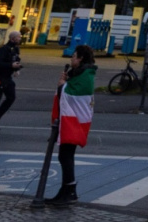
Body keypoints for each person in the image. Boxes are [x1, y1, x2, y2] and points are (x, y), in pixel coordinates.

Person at [47, 44, 97, 207]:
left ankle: (70, 190)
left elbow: (73, 96)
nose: (71, 58)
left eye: (74, 56)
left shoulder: (85, 75)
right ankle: (66, 189)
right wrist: (65, 83)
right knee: (65, 155)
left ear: (80, 58)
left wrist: (62, 85)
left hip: (75, 121)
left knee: (66, 155)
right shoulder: (80, 73)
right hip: (73, 119)